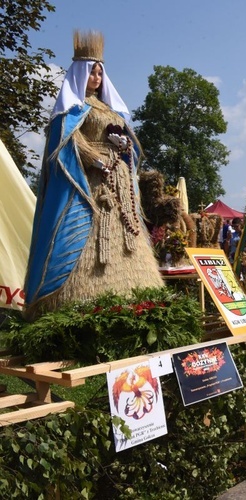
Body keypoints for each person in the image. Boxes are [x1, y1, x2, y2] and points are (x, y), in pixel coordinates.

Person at [24, 31, 163, 320]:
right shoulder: (71, 109)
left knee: (128, 235)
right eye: (92, 73)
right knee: (94, 235)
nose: (97, 78)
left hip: (120, 184)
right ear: (80, 74)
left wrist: (125, 146)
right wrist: (93, 158)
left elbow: (126, 140)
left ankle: (136, 296)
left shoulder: (109, 108)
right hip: (93, 184)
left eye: (100, 73)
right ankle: (80, 299)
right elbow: (66, 140)